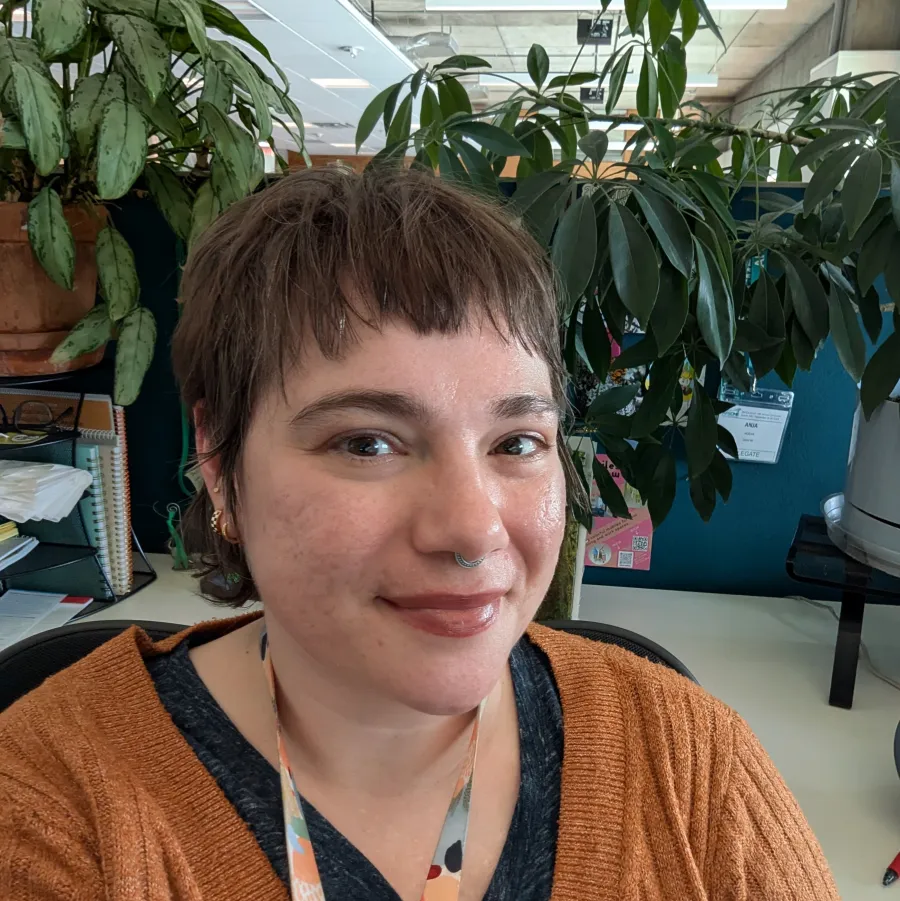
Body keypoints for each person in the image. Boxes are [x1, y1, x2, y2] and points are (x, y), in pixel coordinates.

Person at [0, 167, 838, 901]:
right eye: (367, 442)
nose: (473, 528)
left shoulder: (691, 763)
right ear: (220, 463)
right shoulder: (51, 812)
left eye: (516, 442)